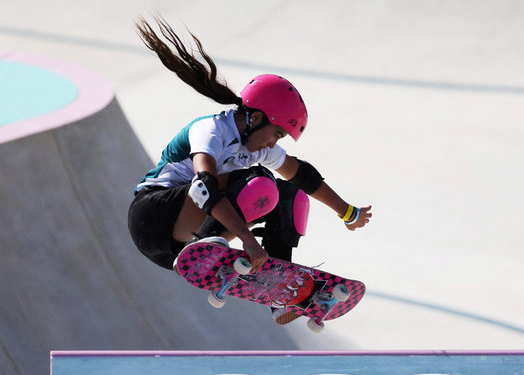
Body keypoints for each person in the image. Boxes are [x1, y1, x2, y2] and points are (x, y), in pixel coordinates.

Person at [128, 17, 372, 324]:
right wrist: (247, 239)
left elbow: (303, 176)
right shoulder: (211, 130)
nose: (273, 143)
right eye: (276, 134)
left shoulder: (261, 144)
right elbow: (203, 185)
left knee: (289, 195)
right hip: (153, 218)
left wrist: (347, 212)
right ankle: (205, 244)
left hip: (177, 244)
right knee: (257, 184)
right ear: (255, 118)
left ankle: (281, 297)